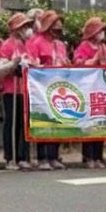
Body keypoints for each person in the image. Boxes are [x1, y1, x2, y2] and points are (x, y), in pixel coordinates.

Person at [27, 10, 70, 170]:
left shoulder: (60, 45)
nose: (58, 29)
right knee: (44, 122)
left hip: (59, 89)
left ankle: (54, 156)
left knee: (57, 122)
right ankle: (42, 157)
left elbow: (65, 62)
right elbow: (32, 63)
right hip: (42, 88)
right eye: (55, 26)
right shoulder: (36, 42)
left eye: (59, 26)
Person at [0, 13, 35, 170]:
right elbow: (1, 69)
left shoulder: (28, 45)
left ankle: (23, 156)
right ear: (16, 28)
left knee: (24, 124)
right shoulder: (7, 45)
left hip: (25, 90)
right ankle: (10, 157)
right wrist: (13, 63)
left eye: (28, 26)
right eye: (24, 26)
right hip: (11, 90)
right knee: (11, 124)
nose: (27, 29)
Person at [74, 16, 106, 169]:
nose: (102, 33)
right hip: (87, 89)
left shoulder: (103, 47)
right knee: (88, 123)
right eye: (100, 30)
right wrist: (95, 58)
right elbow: (79, 64)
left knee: (99, 123)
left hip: (100, 89)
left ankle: (98, 156)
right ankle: (88, 156)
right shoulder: (83, 46)